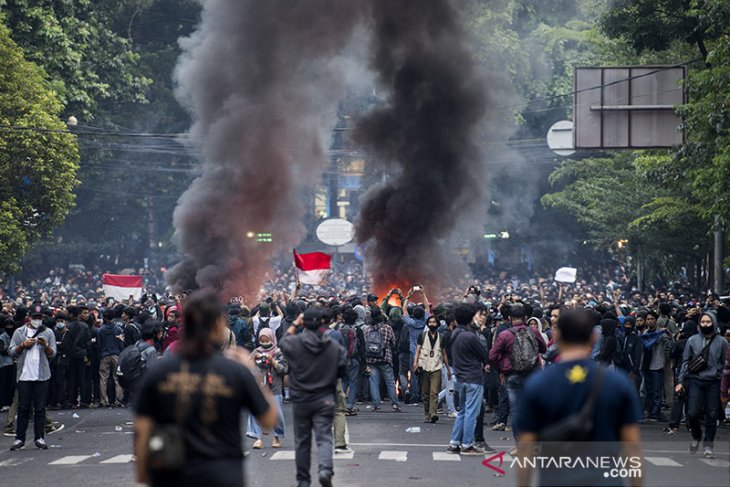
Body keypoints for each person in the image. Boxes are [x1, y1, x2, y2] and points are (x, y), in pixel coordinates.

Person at [133, 291, 276, 487]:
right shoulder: (234, 371)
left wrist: (143, 476)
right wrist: (252, 370)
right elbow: (268, 419)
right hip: (222, 474)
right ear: (218, 325)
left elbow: (142, 428)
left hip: (172, 475)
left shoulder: (159, 372)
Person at [515, 309, 643, 487]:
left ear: (557, 336)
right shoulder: (618, 383)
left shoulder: (538, 384)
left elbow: (526, 447)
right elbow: (632, 448)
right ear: (594, 337)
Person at [279, 308, 347, 487]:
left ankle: (303, 480)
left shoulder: (294, 343)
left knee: (302, 442)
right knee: (324, 438)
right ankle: (325, 470)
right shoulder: (333, 347)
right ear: (323, 323)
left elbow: (282, 342)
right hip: (324, 398)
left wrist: (295, 324)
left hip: (301, 399)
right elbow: (342, 370)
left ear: (304, 323)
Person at [676, 311, 729, 458]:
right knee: (692, 413)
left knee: (712, 415)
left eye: (708, 322)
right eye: (703, 322)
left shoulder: (722, 342)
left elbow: (725, 363)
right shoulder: (692, 340)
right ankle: (696, 436)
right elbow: (685, 362)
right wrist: (680, 381)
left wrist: (724, 384)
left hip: (714, 382)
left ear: (714, 323)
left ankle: (708, 446)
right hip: (695, 380)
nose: (705, 324)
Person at [489, 304, 546, 436]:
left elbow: (492, 355)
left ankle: (519, 440)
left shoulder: (504, 335)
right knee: (532, 406)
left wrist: (500, 370)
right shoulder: (534, 332)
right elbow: (543, 349)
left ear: (509, 318)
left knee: (515, 409)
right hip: (533, 373)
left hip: (512, 374)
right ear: (525, 317)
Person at [9, 305, 57, 450]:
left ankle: (39, 437)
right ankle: (19, 438)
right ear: (29, 317)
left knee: (40, 408)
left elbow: (53, 353)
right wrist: (23, 345)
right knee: (23, 407)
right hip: (24, 375)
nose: (37, 321)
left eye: (40, 318)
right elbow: (12, 351)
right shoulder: (19, 332)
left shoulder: (48, 332)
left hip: (42, 375)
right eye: (35, 318)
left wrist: (46, 346)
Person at [448, 303, 489, 456]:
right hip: (473, 378)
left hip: (460, 378)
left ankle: (454, 443)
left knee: (463, 411)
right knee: (472, 412)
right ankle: (467, 444)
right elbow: (484, 355)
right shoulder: (470, 336)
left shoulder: (455, 333)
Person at [247, 328, 288, 449]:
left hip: (275, 386)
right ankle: (258, 438)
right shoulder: (255, 351)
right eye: (262, 340)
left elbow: (284, 369)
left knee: (277, 414)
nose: (264, 343)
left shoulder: (279, 352)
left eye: (266, 340)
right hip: (259, 386)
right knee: (255, 411)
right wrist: (254, 359)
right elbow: (247, 368)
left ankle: (277, 436)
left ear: (272, 339)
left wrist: (273, 361)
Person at [362, 308, 401, 412]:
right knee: (390, 382)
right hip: (385, 358)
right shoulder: (387, 328)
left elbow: (365, 343)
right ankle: (395, 404)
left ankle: (376, 405)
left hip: (371, 359)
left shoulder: (368, 329)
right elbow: (393, 342)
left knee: (374, 382)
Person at [413, 315, 449, 423]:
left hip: (436, 367)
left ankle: (433, 413)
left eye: (434, 322)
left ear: (437, 324)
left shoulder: (441, 337)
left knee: (434, 392)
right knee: (425, 393)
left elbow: (444, 353)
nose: (432, 324)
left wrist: (448, 369)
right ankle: (427, 414)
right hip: (424, 366)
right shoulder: (422, 336)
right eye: (430, 322)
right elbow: (418, 350)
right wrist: (415, 363)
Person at [97, 309, 124, 407]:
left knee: (103, 378)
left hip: (104, 355)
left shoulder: (100, 330)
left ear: (104, 317)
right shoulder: (118, 329)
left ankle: (103, 400)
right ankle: (118, 400)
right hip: (116, 355)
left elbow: (99, 345)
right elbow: (121, 343)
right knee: (117, 378)